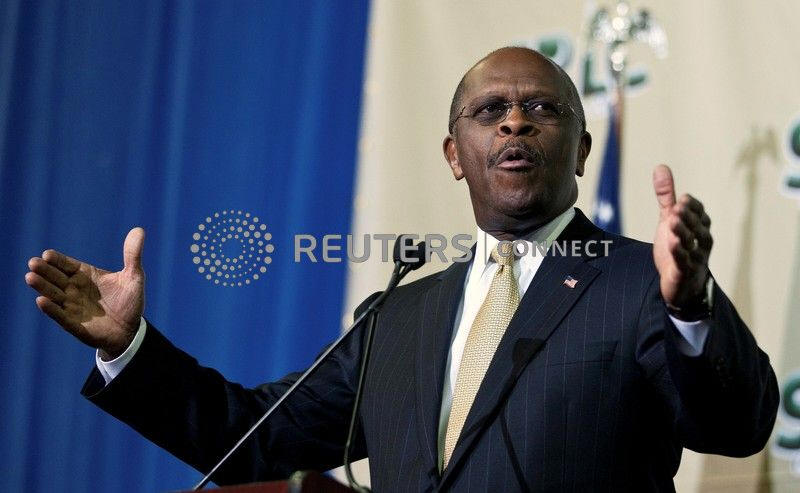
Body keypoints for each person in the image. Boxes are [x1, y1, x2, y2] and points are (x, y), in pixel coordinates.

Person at [25, 47, 778, 492]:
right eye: (489, 110)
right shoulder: (399, 316)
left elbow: (737, 427)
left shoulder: (641, 281)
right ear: (455, 156)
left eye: (543, 109)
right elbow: (251, 441)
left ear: (581, 151)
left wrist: (691, 309)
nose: (515, 121)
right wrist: (129, 348)